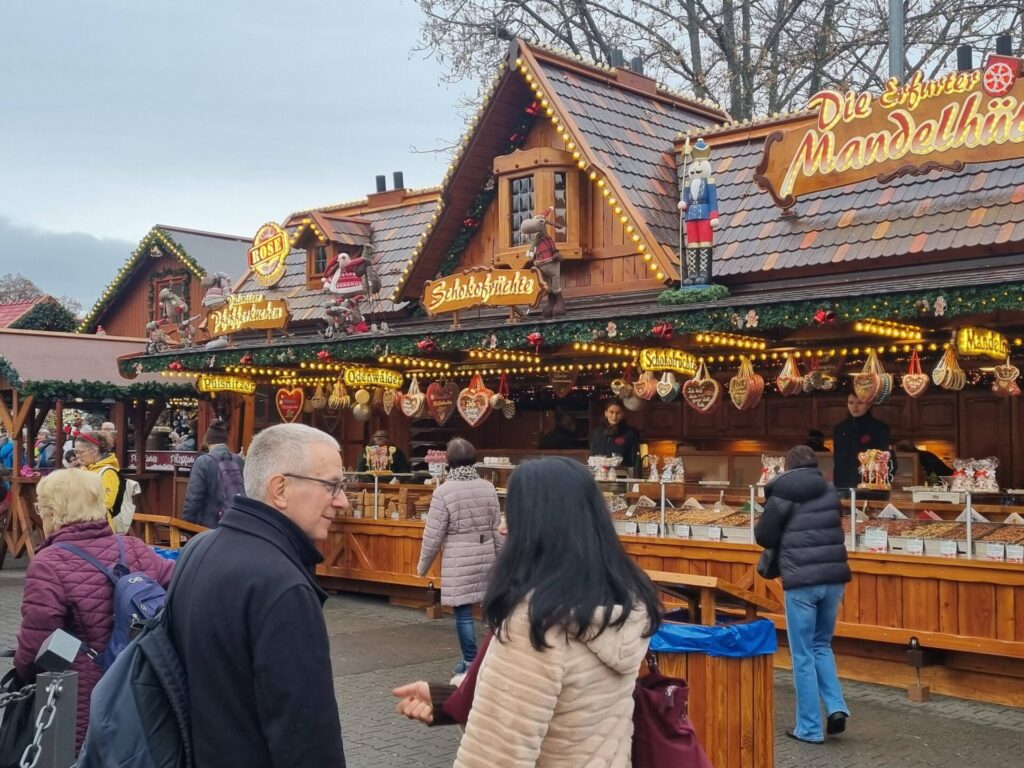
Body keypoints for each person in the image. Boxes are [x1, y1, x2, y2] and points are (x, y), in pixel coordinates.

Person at [407, 457, 661, 766]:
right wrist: (449, 698)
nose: (502, 527)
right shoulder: (620, 606)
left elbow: (496, 757)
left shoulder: (535, 624)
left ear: (537, 526)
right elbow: (559, 702)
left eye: (512, 514)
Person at [169, 423, 348, 768]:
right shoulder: (283, 585)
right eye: (331, 486)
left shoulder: (199, 549)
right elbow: (308, 738)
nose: (342, 501)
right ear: (280, 489)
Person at [15, 469, 174, 750]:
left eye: (41, 508)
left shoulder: (48, 563)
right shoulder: (134, 547)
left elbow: (36, 647)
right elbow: (178, 590)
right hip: (142, 687)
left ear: (53, 512)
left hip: (82, 700)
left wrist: (21, 673)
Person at [755, 445, 851, 744]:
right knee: (821, 644)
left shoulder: (782, 493)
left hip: (801, 581)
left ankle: (809, 728)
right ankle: (836, 707)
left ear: (787, 466)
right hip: (834, 578)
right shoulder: (830, 490)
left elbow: (764, 536)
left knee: (802, 654)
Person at [417, 438, 503, 674]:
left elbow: (433, 534)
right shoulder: (487, 487)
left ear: (449, 460)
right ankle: (494, 658)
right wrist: (504, 557)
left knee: (463, 613)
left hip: (458, 557)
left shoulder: (443, 492)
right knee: (490, 610)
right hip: (486, 553)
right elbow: (497, 527)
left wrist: (423, 566)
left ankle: (469, 662)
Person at [181, 419, 245, 528]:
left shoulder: (203, 461)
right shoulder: (239, 461)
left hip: (210, 528)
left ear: (208, 441)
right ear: (225, 441)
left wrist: (185, 526)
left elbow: (193, 499)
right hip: (237, 524)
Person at [831, 393, 892, 488]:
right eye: (851, 403)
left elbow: (886, 458)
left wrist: (881, 482)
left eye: (860, 403)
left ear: (868, 405)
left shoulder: (879, 428)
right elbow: (837, 459)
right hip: (842, 484)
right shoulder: (840, 429)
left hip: (870, 484)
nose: (855, 407)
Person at [75, 431, 120, 515]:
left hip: (99, 520)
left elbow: (107, 503)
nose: (77, 456)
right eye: (76, 452)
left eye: (80, 452)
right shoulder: (84, 469)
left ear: (94, 451)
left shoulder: (108, 472)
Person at [589, 398, 641, 471]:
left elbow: (635, 460)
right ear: (606, 413)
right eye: (611, 412)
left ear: (623, 414)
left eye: (618, 413)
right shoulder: (597, 432)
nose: (614, 416)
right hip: (599, 474)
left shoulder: (630, 433)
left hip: (622, 475)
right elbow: (592, 455)